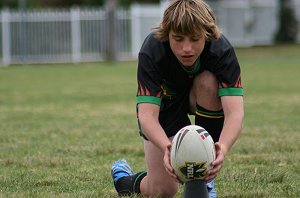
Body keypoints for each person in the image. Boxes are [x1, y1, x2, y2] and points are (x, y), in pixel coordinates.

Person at [111, 0, 244, 197]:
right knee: (163, 190)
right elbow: (147, 115)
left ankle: (205, 178)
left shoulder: (221, 50)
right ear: (167, 34)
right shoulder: (152, 50)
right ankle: (125, 179)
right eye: (178, 39)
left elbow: (235, 112)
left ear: (206, 35)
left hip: (199, 95)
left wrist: (222, 147)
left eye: (194, 38)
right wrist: (168, 148)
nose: (187, 48)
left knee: (208, 82)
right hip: (165, 105)